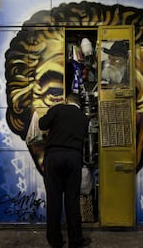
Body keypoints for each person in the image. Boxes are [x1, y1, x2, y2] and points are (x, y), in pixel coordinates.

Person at [39, 93, 91, 248]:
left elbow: (42, 124)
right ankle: (75, 241)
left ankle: (55, 240)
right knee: (72, 201)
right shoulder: (84, 118)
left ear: (67, 101)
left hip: (54, 157)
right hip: (74, 158)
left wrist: (49, 112)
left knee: (54, 201)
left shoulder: (59, 109)